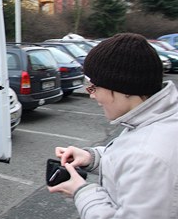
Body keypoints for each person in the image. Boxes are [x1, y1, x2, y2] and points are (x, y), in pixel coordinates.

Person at [48, 33, 178, 218]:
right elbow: (130, 161)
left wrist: (82, 192)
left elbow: (140, 160)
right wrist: (92, 158)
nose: (92, 95)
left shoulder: (150, 157)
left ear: (122, 88)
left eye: (94, 87)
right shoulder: (157, 119)